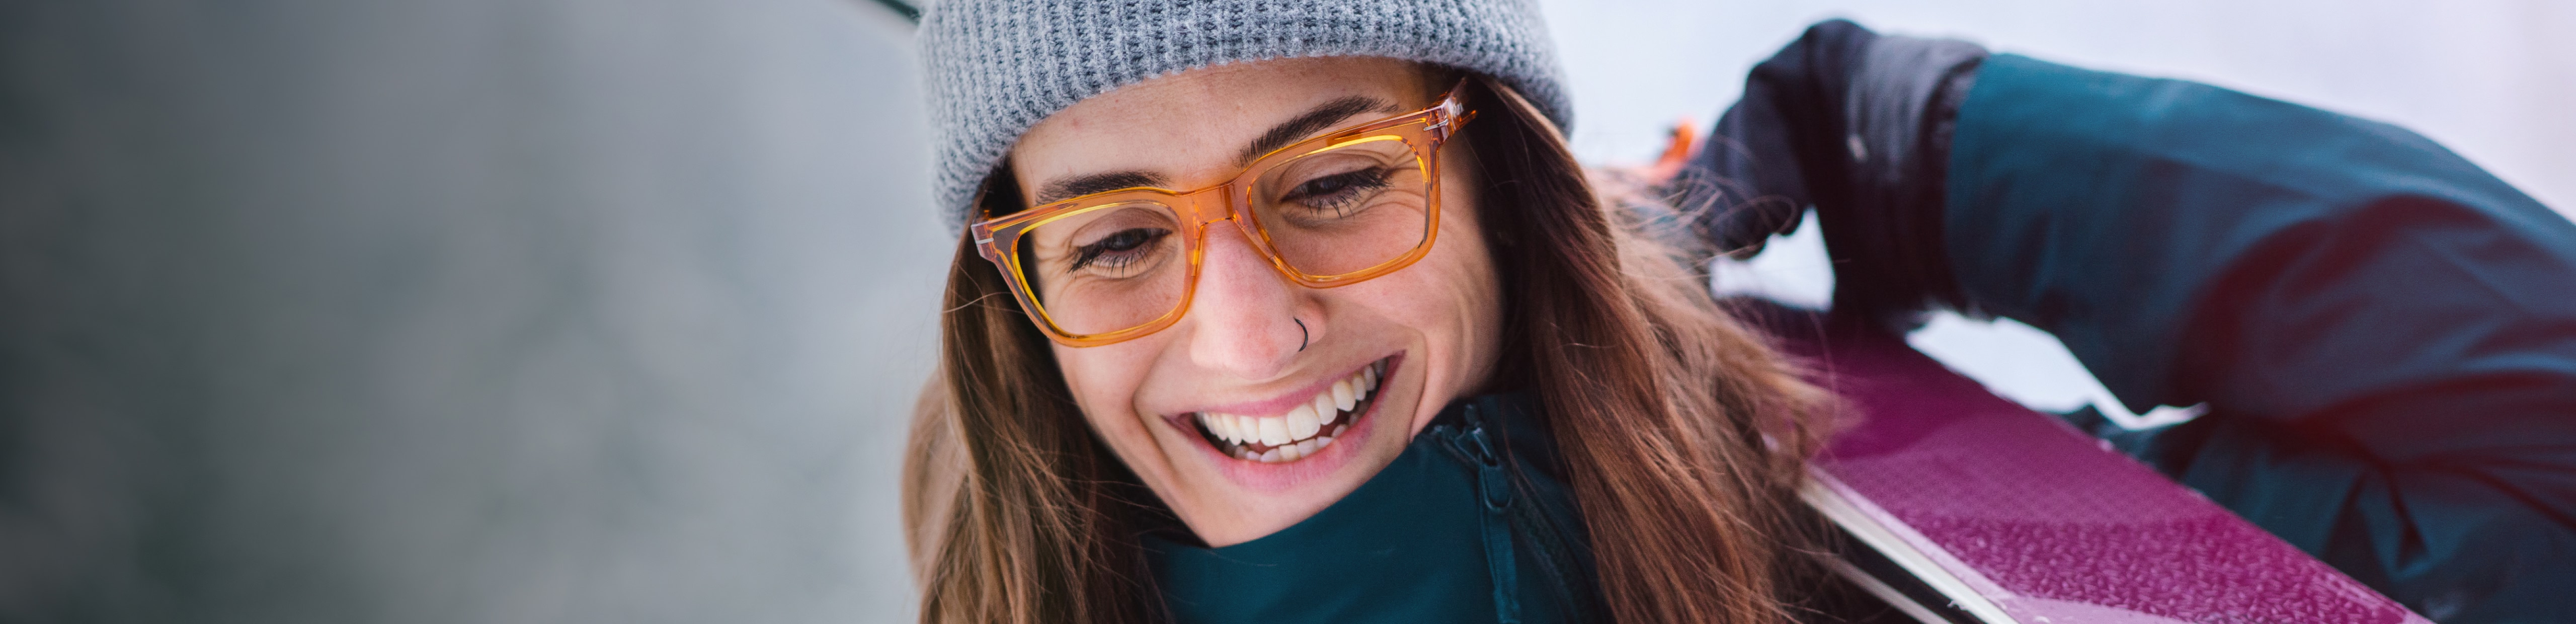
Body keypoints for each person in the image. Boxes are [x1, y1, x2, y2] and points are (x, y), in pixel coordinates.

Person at [900, 3, 2576, 623]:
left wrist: (1931, 155)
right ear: (1022, 305)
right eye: (1117, 239)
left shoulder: (1933, 553)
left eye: (1334, 182)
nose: (1249, 337)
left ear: (1506, 188)